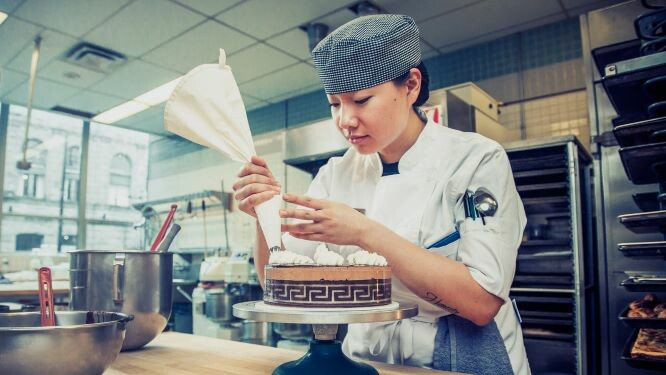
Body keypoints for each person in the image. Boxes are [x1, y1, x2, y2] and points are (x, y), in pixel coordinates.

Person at [232, 14, 529, 375]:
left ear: (411, 86)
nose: (345, 120)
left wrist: (364, 232)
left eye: (361, 100)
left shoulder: (475, 160)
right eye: (335, 104)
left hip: (459, 354)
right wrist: (263, 216)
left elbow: (481, 303)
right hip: (366, 357)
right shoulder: (335, 174)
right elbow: (279, 285)